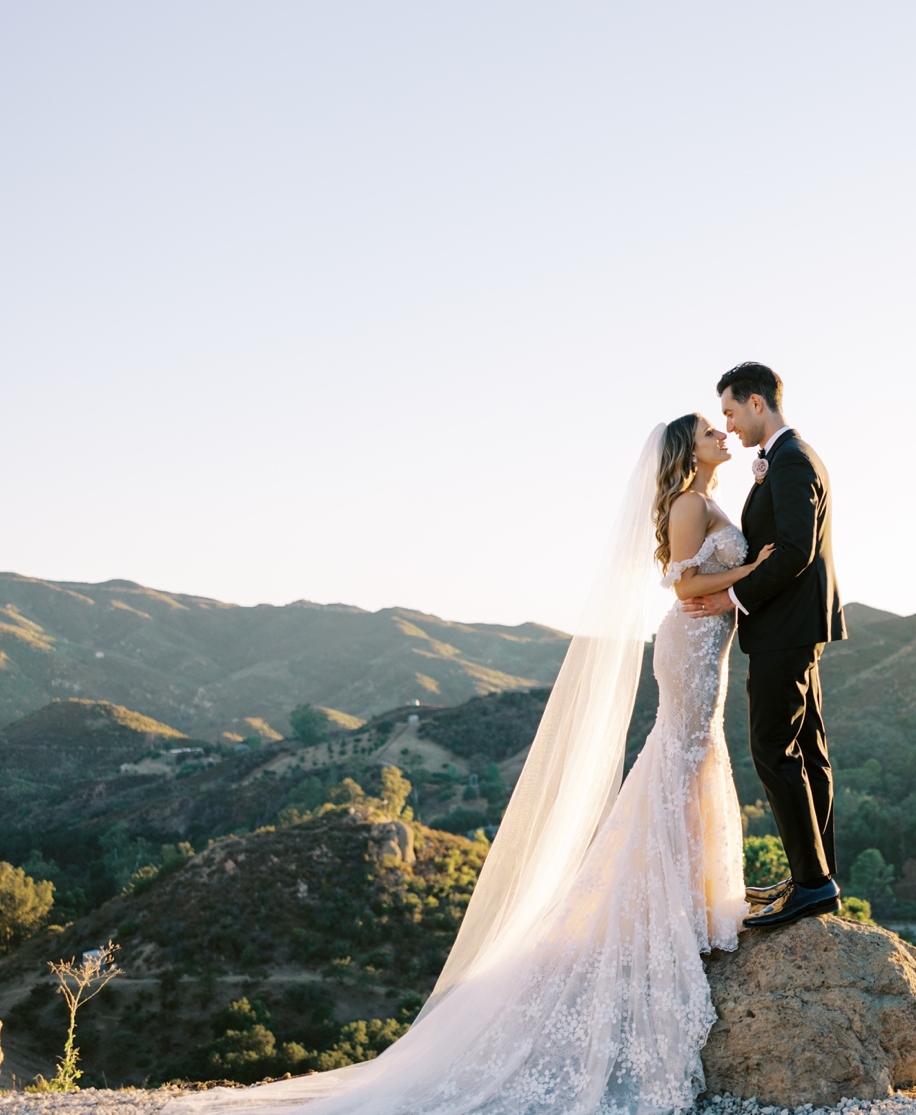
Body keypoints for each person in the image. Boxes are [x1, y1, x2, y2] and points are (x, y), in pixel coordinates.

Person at [172, 415, 767, 1113]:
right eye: (706, 429)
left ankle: (689, 897)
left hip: (706, 651)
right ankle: (674, 906)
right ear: (683, 449)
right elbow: (683, 589)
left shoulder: (709, 495)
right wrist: (756, 570)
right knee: (682, 760)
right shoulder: (687, 503)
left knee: (691, 762)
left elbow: (704, 573)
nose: (719, 432)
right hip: (692, 645)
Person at [681, 361, 847, 929]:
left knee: (773, 750)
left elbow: (797, 550)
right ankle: (814, 874)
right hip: (794, 627)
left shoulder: (792, 460)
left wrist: (734, 598)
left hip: (785, 628)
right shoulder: (786, 459)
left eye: (729, 411)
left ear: (757, 402)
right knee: (807, 753)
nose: (728, 423)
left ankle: (813, 883)